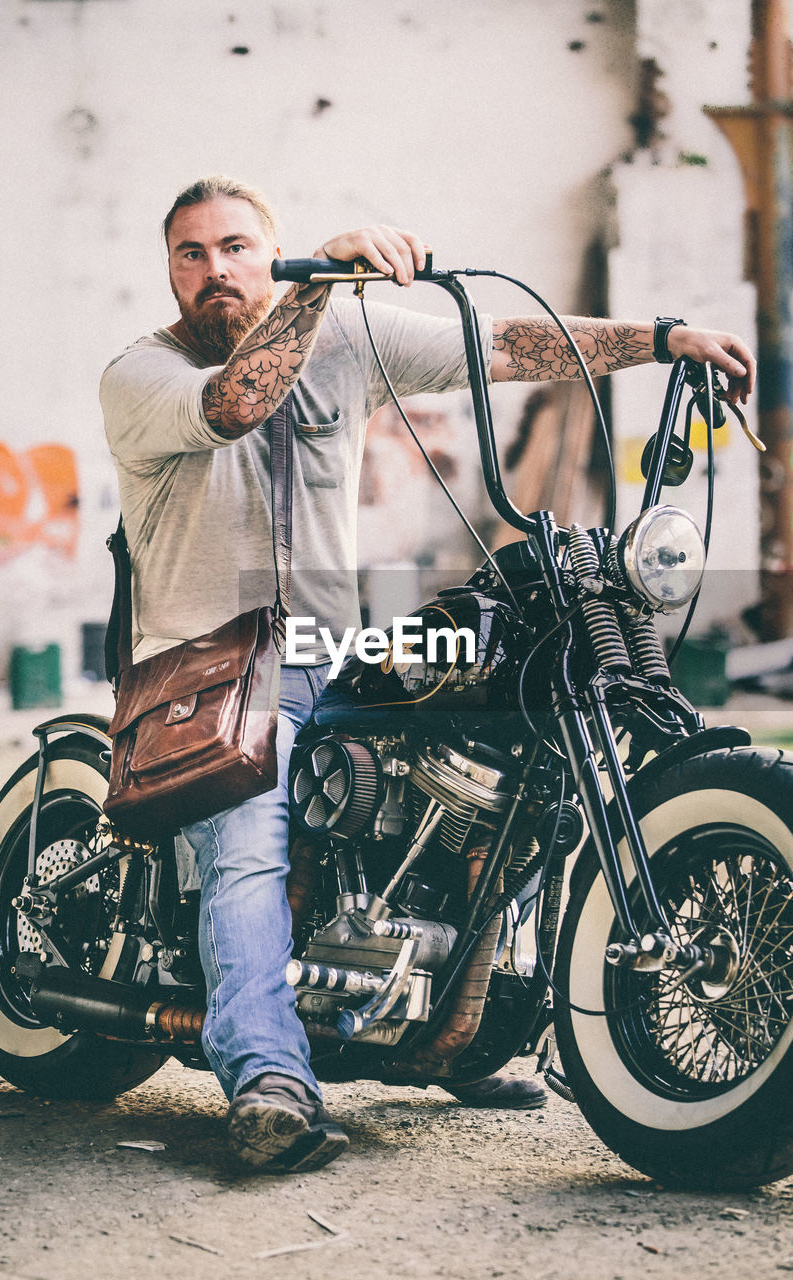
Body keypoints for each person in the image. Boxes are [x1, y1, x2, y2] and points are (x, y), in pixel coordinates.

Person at [100, 175, 756, 1174]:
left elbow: (501, 347)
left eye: (236, 247)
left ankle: (461, 1016)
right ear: (172, 273)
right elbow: (236, 402)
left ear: (267, 256)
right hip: (211, 675)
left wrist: (664, 339)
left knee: (498, 744)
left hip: (327, 651)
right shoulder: (142, 373)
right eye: (190, 253)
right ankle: (267, 1077)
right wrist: (320, 279)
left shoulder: (341, 344)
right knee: (247, 848)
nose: (214, 269)